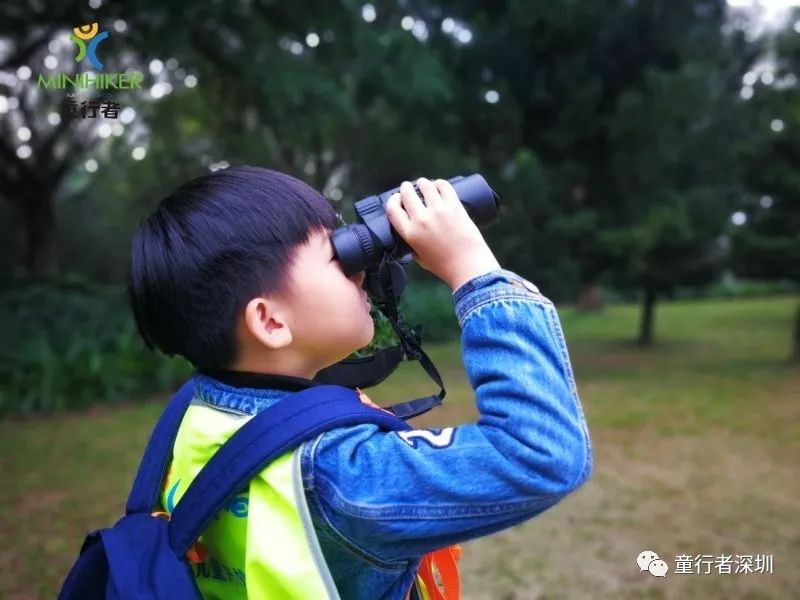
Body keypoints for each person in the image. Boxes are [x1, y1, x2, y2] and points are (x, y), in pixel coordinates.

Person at [127, 166, 593, 599]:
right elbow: (540, 455)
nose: (362, 268)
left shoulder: (201, 412)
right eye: (337, 255)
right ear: (270, 322)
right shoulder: (337, 473)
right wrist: (474, 270)